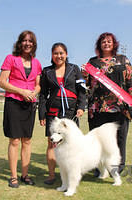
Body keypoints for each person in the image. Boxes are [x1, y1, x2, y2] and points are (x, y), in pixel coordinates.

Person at [82, 32, 132, 175]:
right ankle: (98, 167)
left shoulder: (123, 60)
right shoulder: (93, 62)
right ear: (99, 45)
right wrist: (84, 74)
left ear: (114, 44)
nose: (106, 44)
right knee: (97, 140)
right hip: (98, 107)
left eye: (109, 41)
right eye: (103, 42)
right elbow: (87, 84)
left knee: (120, 138)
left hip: (120, 106)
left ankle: (118, 167)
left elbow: (131, 81)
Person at [0, 30, 42, 188]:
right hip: (14, 103)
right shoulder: (11, 59)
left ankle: (25, 174)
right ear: (20, 42)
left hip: (29, 104)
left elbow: (38, 85)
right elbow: (2, 82)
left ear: (34, 44)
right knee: (15, 141)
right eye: (25, 40)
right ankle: (13, 176)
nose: (28, 43)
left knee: (27, 141)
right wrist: (22, 91)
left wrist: (33, 93)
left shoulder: (36, 63)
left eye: (31, 41)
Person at [39, 42, 86, 185]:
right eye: (55, 53)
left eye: (61, 53)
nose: (58, 56)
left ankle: (71, 174)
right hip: (53, 113)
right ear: (52, 55)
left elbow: (82, 90)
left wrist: (81, 107)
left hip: (71, 113)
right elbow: (42, 95)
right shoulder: (46, 71)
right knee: (52, 144)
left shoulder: (75, 69)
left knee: (72, 144)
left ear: (66, 54)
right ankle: (52, 176)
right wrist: (42, 114)